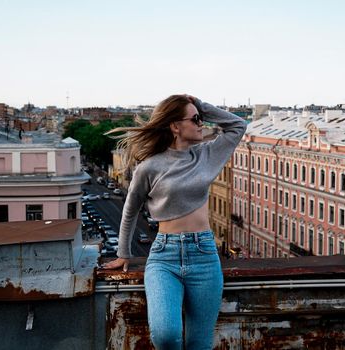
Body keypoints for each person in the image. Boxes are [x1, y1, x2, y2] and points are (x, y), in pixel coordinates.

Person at [102, 94, 246, 349]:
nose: (201, 124)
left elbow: (238, 125)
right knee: (166, 334)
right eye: (195, 120)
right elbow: (130, 209)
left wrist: (200, 106)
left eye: (200, 119)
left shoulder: (207, 154)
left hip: (204, 255)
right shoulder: (149, 167)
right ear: (174, 126)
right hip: (163, 258)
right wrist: (123, 253)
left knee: (199, 343)